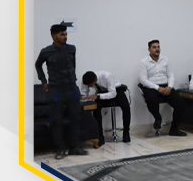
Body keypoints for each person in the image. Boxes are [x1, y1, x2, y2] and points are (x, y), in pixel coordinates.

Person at [35, 24, 89, 159]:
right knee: (56, 120)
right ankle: (60, 149)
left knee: (76, 118)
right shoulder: (46, 51)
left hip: (71, 88)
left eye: (66, 34)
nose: (65, 37)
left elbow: (73, 65)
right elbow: (38, 65)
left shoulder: (71, 49)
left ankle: (74, 147)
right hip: (56, 90)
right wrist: (43, 81)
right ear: (53, 36)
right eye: (62, 34)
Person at [138, 39, 186, 137]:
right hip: (152, 87)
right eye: (154, 47)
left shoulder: (165, 59)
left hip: (166, 86)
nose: (157, 49)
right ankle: (158, 118)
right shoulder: (144, 62)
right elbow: (142, 79)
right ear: (149, 49)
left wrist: (170, 86)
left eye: (158, 47)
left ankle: (174, 129)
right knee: (151, 99)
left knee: (180, 102)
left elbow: (170, 75)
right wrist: (157, 88)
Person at [80, 70, 132, 143]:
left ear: (95, 80)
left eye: (90, 85)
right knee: (96, 108)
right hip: (101, 92)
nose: (88, 87)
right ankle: (99, 136)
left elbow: (113, 93)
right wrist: (84, 98)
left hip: (116, 90)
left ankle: (126, 133)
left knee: (126, 107)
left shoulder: (107, 76)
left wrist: (98, 96)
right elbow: (84, 92)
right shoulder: (85, 80)